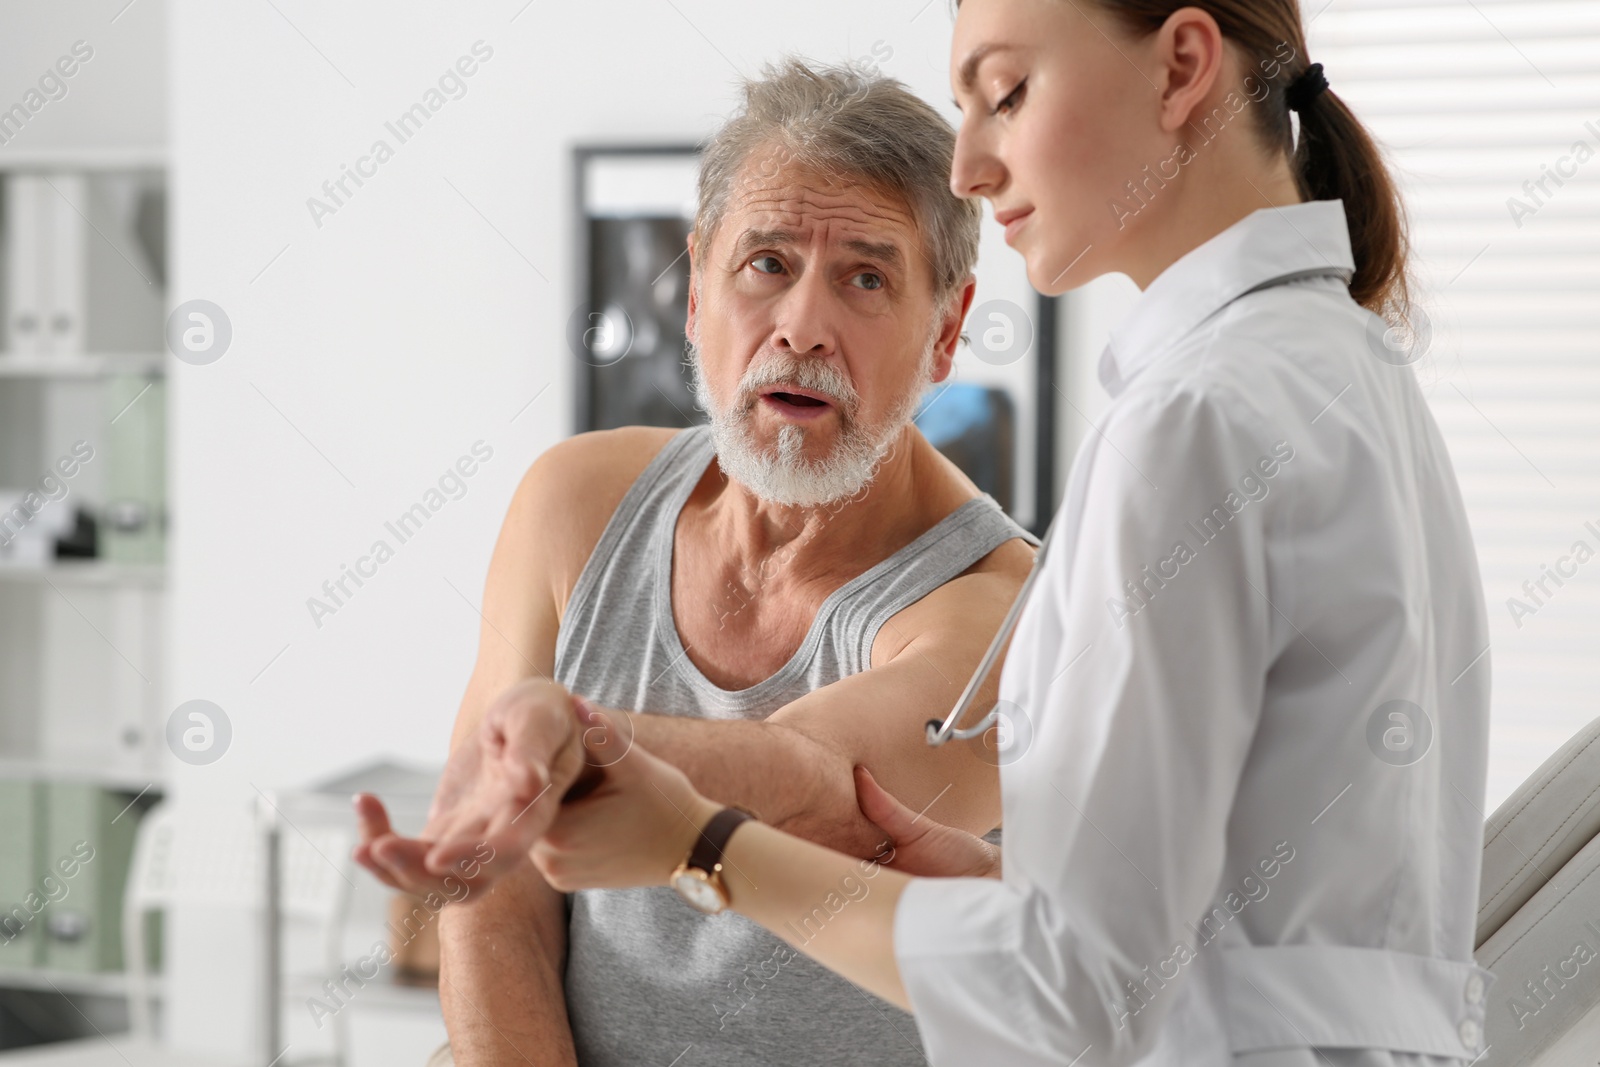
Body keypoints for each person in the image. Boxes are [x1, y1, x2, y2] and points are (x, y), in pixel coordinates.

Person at [366, 0, 1497, 1064]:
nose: (971, 164)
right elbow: (1159, 924)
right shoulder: (1333, 368)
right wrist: (972, 885)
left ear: (1184, 66)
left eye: (1004, 92)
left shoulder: (1188, 421)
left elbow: (1073, 987)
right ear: (695, 290)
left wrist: (684, 832)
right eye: (766, 263)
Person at [354, 58, 1036, 1066]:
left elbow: (807, 778)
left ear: (945, 330)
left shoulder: (996, 602)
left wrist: (566, 740)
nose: (802, 326)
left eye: (865, 276)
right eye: (766, 262)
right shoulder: (575, 502)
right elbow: (493, 884)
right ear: (694, 290)